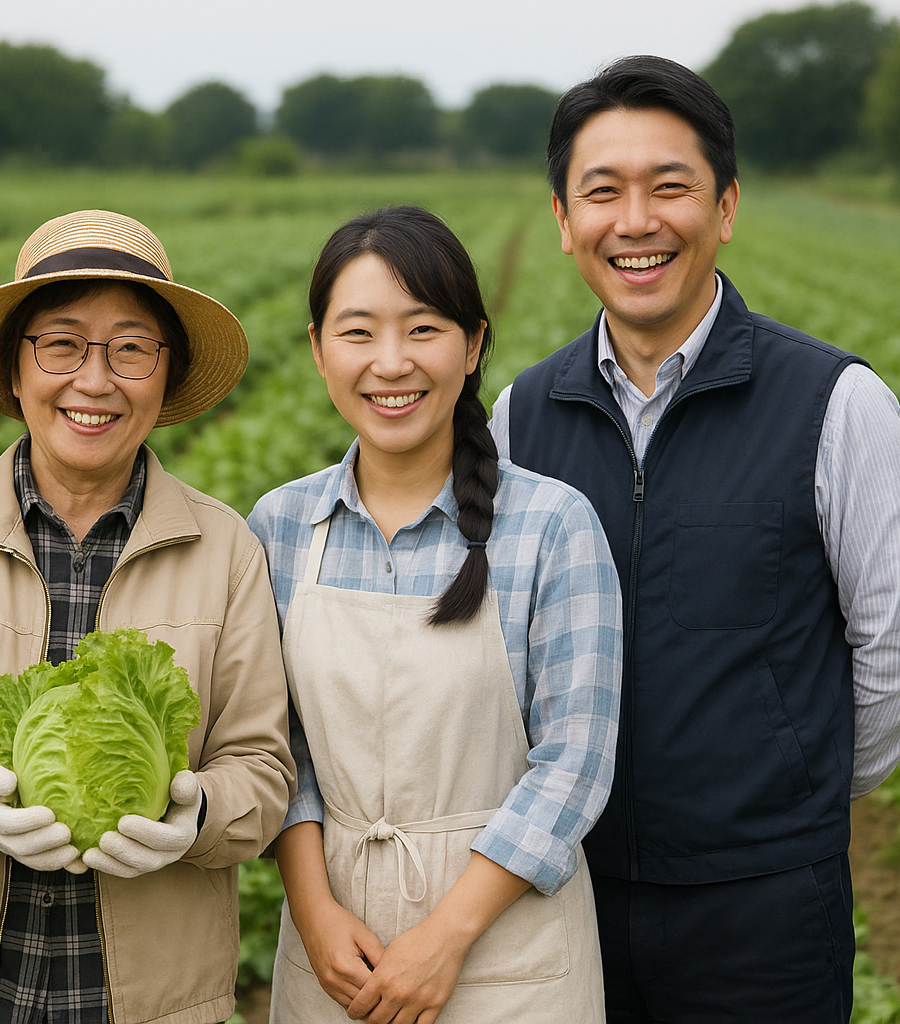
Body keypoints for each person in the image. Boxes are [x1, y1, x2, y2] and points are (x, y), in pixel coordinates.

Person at [489, 55, 900, 1023]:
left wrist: (785, 785)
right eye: (602, 191)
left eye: (671, 187)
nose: (637, 221)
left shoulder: (835, 403)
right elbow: (495, 653)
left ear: (727, 206)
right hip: (565, 890)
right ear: (565, 222)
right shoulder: (520, 416)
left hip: (766, 905)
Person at [0, 209, 295, 1024]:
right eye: (61, 344)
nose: (94, 380)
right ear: (16, 371)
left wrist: (198, 817)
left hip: (156, 1005)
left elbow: (261, 764)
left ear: (166, 375)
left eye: (130, 349)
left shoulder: (227, 548)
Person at [248, 205, 622, 1024]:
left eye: (423, 329)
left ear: (473, 344)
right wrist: (314, 915)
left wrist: (445, 938)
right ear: (316, 349)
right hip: (333, 956)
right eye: (358, 333)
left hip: (509, 953)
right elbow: (277, 747)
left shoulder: (553, 525)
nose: (391, 364)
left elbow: (574, 764)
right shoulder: (279, 526)